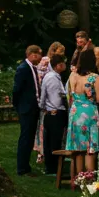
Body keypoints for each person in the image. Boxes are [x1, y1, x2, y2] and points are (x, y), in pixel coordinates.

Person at [65, 46, 99, 174]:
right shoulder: (95, 78)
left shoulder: (73, 75)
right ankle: (89, 178)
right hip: (89, 112)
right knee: (89, 147)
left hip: (75, 112)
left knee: (77, 147)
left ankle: (78, 178)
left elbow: (69, 95)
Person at [13, 44, 43, 176]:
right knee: (25, 137)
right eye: (40, 54)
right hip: (26, 108)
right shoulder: (23, 68)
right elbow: (17, 89)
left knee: (30, 137)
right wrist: (19, 106)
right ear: (33, 55)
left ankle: (26, 166)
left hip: (33, 107)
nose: (41, 58)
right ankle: (22, 168)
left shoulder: (32, 68)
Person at [39, 52, 68, 174]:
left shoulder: (51, 76)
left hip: (50, 112)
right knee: (54, 141)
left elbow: (43, 96)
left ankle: (51, 166)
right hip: (55, 112)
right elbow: (56, 98)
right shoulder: (53, 78)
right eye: (63, 64)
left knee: (50, 141)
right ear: (58, 65)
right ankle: (53, 167)